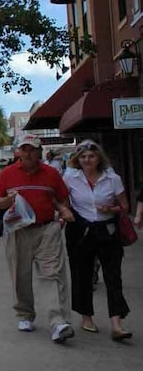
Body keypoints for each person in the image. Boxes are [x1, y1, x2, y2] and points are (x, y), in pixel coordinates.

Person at [0, 135, 76, 343]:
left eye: (32, 149)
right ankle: (25, 314)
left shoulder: (51, 173)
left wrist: (62, 216)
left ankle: (58, 322)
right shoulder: (7, 173)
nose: (28, 153)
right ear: (19, 152)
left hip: (47, 228)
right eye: (25, 149)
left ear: (39, 152)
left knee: (53, 274)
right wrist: (8, 199)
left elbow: (62, 198)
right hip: (18, 230)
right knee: (20, 274)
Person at [62, 140, 132, 341]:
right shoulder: (70, 177)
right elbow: (63, 201)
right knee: (81, 275)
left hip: (107, 230)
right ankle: (86, 317)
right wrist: (65, 212)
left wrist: (111, 209)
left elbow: (124, 206)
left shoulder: (112, 178)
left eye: (91, 156)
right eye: (83, 157)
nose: (87, 160)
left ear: (99, 157)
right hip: (81, 230)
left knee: (113, 276)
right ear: (77, 159)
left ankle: (117, 323)